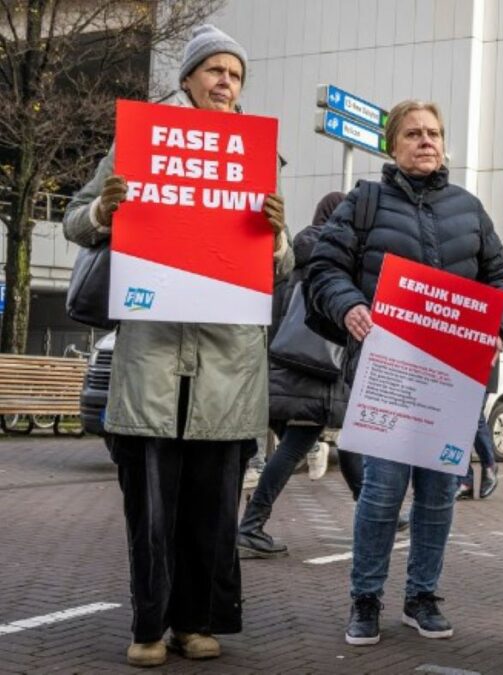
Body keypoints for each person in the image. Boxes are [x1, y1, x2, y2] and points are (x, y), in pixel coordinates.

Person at [62, 25, 293, 667]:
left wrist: (277, 240)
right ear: (188, 79)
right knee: (151, 507)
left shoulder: (259, 157)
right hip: (154, 360)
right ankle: (147, 627)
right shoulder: (138, 146)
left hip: (226, 366)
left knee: (212, 509)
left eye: (236, 74)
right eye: (215, 70)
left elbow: (282, 263)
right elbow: (74, 220)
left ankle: (195, 623)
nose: (226, 82)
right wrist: (105, 213)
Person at [307, 99, 503, 646]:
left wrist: (498, 326)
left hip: (452, 380)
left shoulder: (469, 209)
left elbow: (500, 276)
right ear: (392, 145)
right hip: (387, 376)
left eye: (435, 133)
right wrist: (348, 304)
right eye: (415, 133)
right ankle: (366, 598)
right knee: (381, 493)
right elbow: (323, 268)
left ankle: (422, 595)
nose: (427, 141)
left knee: (440, 494)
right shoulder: (364, 203)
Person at [237, 193, 410, 559]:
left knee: (344, 441)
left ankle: (382, 518)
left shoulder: (296, 250)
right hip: (321, 366)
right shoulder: (332, 253)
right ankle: (251, 524)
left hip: (299, 363)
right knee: (304, 446)